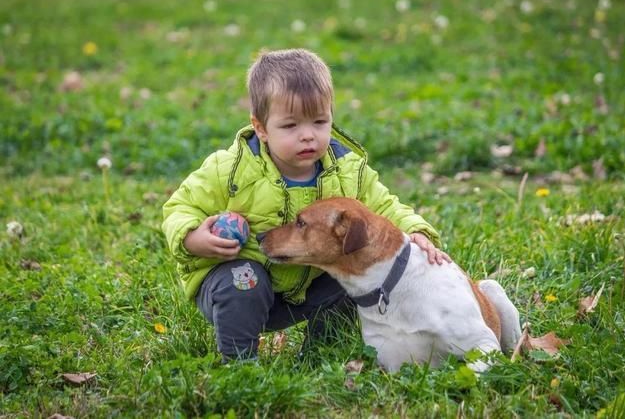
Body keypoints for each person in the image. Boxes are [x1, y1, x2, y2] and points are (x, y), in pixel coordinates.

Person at [162, 48, 451, 362]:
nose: (308, 136)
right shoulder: (230, 169)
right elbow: (179, 207)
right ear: (261, 128)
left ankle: (322, 354)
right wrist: (193, 238)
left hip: (308, 285)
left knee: (352, 269)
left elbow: (384, 208)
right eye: (290, 126)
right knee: (244, 280)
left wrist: (416, 230)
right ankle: (240, 363)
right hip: (239, 282)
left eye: (319, 121)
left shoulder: (347, 171)